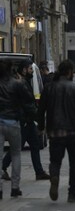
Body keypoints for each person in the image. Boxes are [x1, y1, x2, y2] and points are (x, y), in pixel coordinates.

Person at [37, 60, 75, 203]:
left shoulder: (49, 88)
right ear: (70, 71)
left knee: (55, 161)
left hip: (55, 132)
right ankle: (72, 194)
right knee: (74, 163)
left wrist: (41, 127)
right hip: (73, 132)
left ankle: (54, 176)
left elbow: (41, 110)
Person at [2, 59, 50, 182]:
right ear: (24, 70)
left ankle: (39, 172)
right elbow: (28, 104)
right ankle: (3, 167)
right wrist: (39, 119)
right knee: (17, 149)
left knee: (34, 145)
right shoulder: (21, 83)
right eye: (30, 69)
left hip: (27, 121)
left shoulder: (24, 82)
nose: (32, 71)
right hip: (23, 121)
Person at [0, 59, 37, 199]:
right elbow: (28, 103)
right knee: (16, 154)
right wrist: (37, 119)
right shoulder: (17, 84)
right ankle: (15, 187)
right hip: (13, 122)